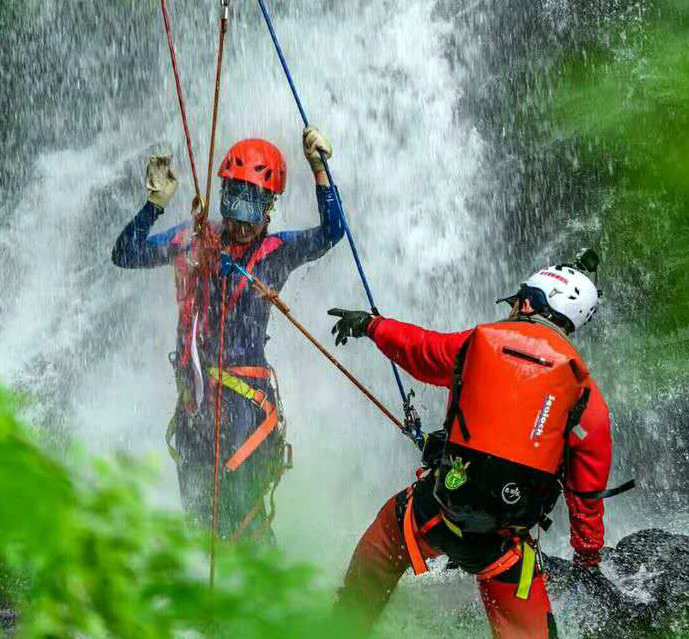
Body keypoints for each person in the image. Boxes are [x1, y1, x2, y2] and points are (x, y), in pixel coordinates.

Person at [328, 254, 622, 639]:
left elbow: (420, 350)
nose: (514, 307)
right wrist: (588, 557)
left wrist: (370, 325)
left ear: (531, 303)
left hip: (436, 512)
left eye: (518, 300)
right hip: (504, 545)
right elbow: (586, 493)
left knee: (385, 541)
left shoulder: (478, 342)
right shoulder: (585, 393)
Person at [112, 127, 344, 543]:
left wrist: (320, 170)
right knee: (201, 514)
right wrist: (154, 204)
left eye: (251, 207)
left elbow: (331, 233)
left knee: (242, 511)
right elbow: (125, 254)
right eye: (233, 203)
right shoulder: (195, 240)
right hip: (196, 400)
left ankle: (266, 600)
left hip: (244, 405)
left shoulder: (275, 253)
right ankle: (211, 601)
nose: (239, 221)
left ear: (269, 207)